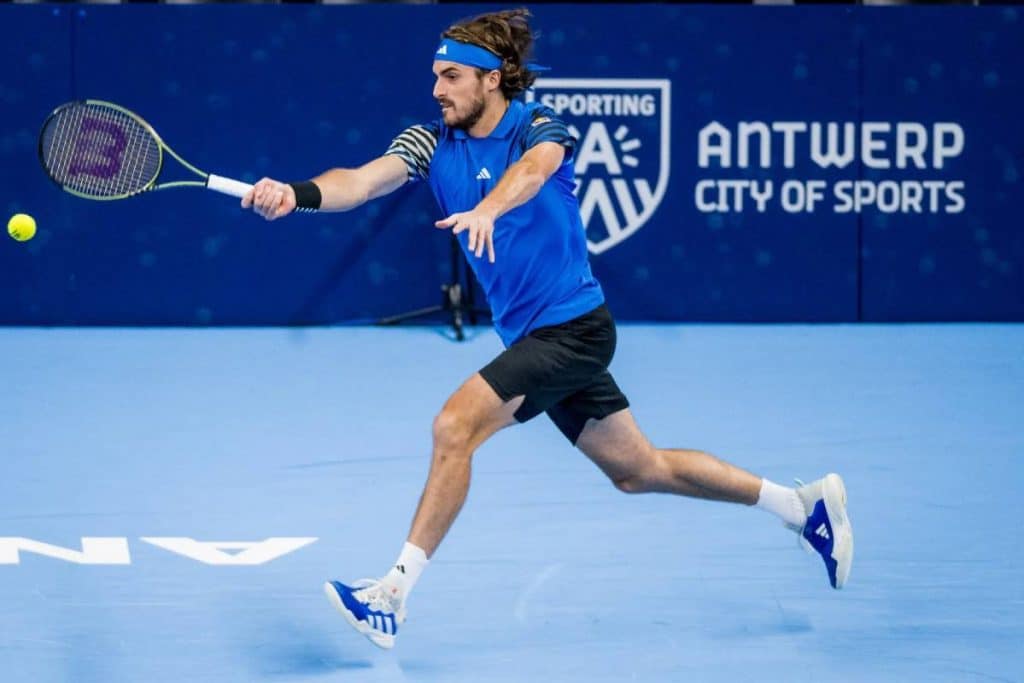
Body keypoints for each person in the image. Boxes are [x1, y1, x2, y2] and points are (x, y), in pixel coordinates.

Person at [241, 8, 853, 650]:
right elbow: (361, 182)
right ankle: (801, 507)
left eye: (451, 77)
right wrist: (296, 193)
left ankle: (389, 596)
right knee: (637, 469)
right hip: (532, 338)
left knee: (455, 427)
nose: (437, 90)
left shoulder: (538, 126)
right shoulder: (429, 143)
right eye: (435, 76)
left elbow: (534, 172)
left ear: (492, 79)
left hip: (574, 331)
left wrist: (487, 208)